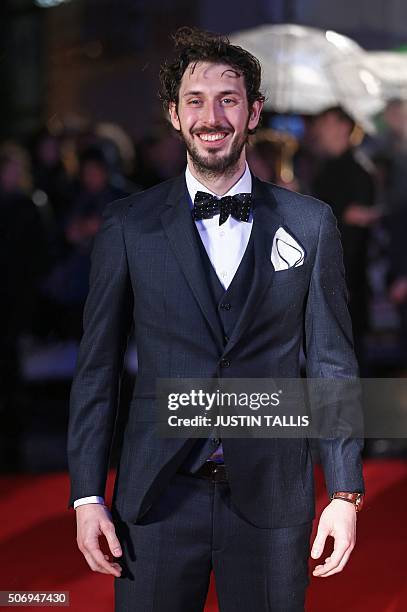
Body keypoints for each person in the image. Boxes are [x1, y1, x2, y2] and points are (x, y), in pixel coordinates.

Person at [68, 28, 365, 612]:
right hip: (155, 497)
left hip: (273, 499)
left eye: (228, 99)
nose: (212, 115)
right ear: (174, 115)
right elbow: (96, 368)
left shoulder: (310, 224)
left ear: (253, 112)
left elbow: (332, 362)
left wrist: (345, 492)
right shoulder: (128, 225)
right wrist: (85, 496)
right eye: (196, 100)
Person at [311, 107, 379, 372]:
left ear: (342, 127)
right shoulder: (327, 169)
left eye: (325, 123)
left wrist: (343, 279)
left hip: (344, 281)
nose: (319, 130)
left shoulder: (356, 173)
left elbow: (351, 237)